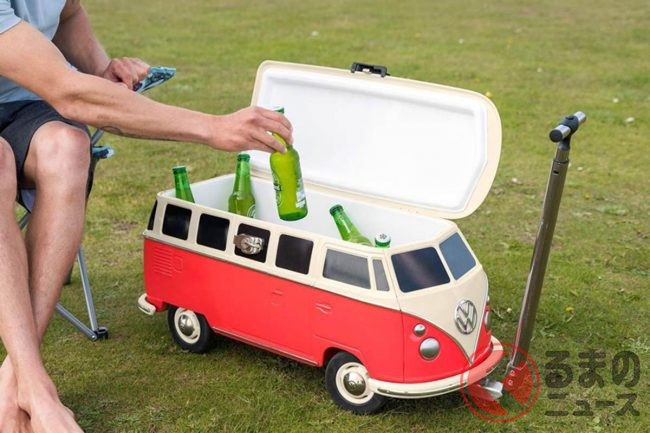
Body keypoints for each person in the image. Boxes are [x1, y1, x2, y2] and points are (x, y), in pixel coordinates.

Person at [0, 1, 293, 432]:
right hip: (45, 93)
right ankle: (35, 388)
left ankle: (17, 378)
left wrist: (100, 67)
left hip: (25, 101)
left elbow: (68, 13)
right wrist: (213, 127)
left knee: (68, 148)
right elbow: (69, 93)